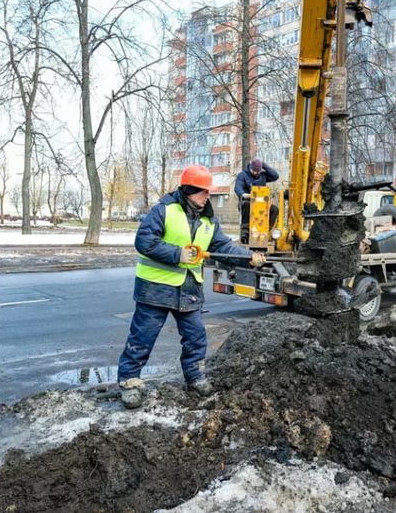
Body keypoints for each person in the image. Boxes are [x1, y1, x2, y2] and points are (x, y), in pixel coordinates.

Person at [118, 165, 266, 409]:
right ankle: (129, 382)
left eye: (209, 192)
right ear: (188, 190)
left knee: (196, 338)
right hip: (155, 289)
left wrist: (248, 257)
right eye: (203, 191)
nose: (208, 196)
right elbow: (144, 241)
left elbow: (223, 247)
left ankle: (195, 377)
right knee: (142, 337)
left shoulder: (208, 220)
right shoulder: (164, 210)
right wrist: (178, 254)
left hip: (189, 290)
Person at [234, 158, 279, 244]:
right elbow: (238, 187)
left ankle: (265, 230)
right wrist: (244, 195)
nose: (255, 173)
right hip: (248, 201)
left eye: (257, 171)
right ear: (250, 167)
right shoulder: (242, 175)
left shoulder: (263, 175)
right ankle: (245, 231)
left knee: (274, 210)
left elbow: (275, 176)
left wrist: (264, 165)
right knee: (246, 205)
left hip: (262, 204)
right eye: (253, 171)